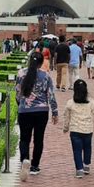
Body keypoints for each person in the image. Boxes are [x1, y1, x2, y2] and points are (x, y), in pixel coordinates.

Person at [16, 51, 58, 180]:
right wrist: (55, 112)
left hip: (25, 111)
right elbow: (50, 95)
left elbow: (18, 92)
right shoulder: (45, 76)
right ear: (41, 63)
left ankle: (24, 160)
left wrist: (21, 104)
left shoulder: (21, 74)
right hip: (41, 111)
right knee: (38, 139)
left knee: (24, 138)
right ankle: (34, 166)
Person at [63, 79, 94, 177]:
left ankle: (79, 170)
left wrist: (65, 128)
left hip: (75, 130)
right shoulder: (90, 101)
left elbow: (66, 117)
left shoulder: (70, 103)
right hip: (88, 130)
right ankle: (86, 166)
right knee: (87, 148)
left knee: (77, 150)